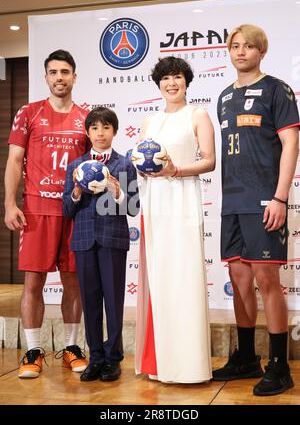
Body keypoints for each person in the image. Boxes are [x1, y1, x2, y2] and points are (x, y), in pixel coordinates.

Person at [213, 24, 300, 396]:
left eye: (249, 46)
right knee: (240, 282)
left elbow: (291, 142)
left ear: (261, 52)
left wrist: (280, 197)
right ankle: (247, 358)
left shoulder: (277, 89)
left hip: (265, 200)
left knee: (267, 282)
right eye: (235, 46)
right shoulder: (223, 96)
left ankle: (279, 367)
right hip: (232, 202)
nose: (241, 51)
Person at [4, 49, 89, 378]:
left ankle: (71, 347)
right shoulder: (28, 113)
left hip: (74, 212)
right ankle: (33, 351)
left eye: (65, 72)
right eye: (53, 72)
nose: (59, 77)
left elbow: (94, 166)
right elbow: (14, 161)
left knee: (73, 283)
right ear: (45, 77)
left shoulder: (86, 117)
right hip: (37, 211)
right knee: (33, 283)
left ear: (74, 77)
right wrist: (10, 204)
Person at [135, 56, 215, 383]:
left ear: (186, 81)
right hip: (154, 203)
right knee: (160, 278)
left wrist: (176, 170)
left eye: (177, 77)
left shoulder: (198, 115)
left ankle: (189, 367)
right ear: (158, 83)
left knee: (185, 278)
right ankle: (160, 363)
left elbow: (209, 161)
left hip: (183, 200)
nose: (172, 83)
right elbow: (141, 162)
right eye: (166, 78)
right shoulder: (149, 121)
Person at [63, 107, 140, 382]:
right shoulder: (75, 166)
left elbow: (133, 207)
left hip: (113, 241)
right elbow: (66, 210)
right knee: (91, 302)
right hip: (84, 242)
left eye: (106, 127)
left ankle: (113, 359)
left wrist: (117, 191)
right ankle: (95, 357)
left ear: (114, 132)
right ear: (87, 132)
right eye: (94, 128)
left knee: (114, 301)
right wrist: (75, 190)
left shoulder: (124, 164)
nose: (100, 133)